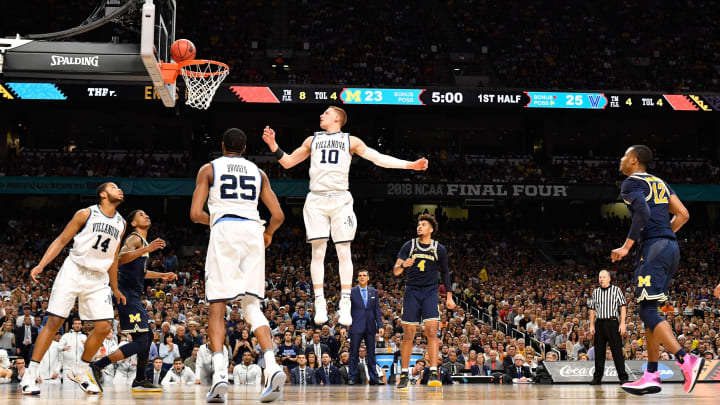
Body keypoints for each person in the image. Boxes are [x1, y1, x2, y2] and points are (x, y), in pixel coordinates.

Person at [262, 107, 428, 326]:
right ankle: (319, 301)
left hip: (340, 199)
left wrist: (410, 165)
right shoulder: (312, 140)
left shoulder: (351, 141)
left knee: (343, 251)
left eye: (326, 113)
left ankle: (346, 302)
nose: (321, 115)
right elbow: (288, 162)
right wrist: (274, 146)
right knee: (318, 250)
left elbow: (379, 159)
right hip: (316, 199)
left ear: (337, 118)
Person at [191, 128, 286, 403]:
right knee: (252, 306)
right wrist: (267, 234)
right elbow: (278, 215)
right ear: (244, 149)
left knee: (217, 306)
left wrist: (221, 220)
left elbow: (195, 213)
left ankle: (220, 375)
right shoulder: (259, 173)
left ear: (222, 146)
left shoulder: (209, 169)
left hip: (225, 229)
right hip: (254, 232)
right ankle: (273, 367)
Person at [612, 145, 704, 395]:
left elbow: (642, 211)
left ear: (632, 160)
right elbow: (683, 214)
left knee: (646, 310)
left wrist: (626, 246)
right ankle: (652, 374)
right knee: (649, 309)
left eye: (623, 155)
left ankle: (687, 360)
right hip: (670, 247)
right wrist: (663, 235)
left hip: (653, 248)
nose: (620, 160)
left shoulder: (631, 182)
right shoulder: (660, 183)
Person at [20, 182, 126, 395]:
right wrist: (42, 265)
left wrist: (115, 287)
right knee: (54, 322)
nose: (119, 190)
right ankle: (30, 374)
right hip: (74, 270)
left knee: (105, 327)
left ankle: (81, 369)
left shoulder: (122, 223)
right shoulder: (85, 214)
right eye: (114, 187)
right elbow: (61, 241)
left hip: (98, 277)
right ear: (103, 194)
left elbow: (114, 257)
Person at [90, 209, 176, 392]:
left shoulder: (142, 243)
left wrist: (162, 275)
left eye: (147, 214)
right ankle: (97, 366)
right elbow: (119, 259)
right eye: (141, 215)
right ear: (134, 223)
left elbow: (141, 273)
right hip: (126, 294)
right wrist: (147, 249)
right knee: (140, 341)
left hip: (133, 294)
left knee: (148, 336)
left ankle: (139, 380)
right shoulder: (134, 238)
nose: (146, 216)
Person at [394, 213, 455, 390]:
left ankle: (434, 371)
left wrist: (449, 296)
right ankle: (404, 373)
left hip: (430, 292)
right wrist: (404, 264)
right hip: (412, 291)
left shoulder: (439, 248)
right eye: (418, 224)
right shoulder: (409, 245)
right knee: (408, 334)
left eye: (423, 224)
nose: (419, 226)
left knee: (432, 331)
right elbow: (396, 271)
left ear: (431, 229)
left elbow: (445, 273)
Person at [589, 270, 628, 385]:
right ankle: (597, 378)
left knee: (617, 351)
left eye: (604, 277)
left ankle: (623, 377)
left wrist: (622, 323)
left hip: (612, 322)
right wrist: (591, 324)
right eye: (600, 277)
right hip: (599, 323)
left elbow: (623, 307)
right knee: (599, 351)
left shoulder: (616, 290)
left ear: (609, 279)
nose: (601, 279)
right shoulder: (596, 291)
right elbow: (592, 309)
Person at [348, 270, 384, 385]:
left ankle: (374, 378)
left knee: (371, 354)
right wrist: (344, 325)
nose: (362, 277)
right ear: (357, 278)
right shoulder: (351, 292)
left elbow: (377, 310)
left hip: (370, 326)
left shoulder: (373, 292)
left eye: (364, 275)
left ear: (368, 278)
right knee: (353, 353)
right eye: (360, 276)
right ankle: (352, 378)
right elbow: (346, 309)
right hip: (356, 325)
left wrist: (380, 325)